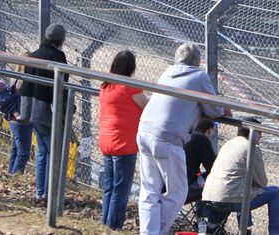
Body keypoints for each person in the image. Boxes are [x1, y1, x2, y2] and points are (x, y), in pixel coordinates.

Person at [136, 42, 228, 235]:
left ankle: (148, 231)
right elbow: (216, 110)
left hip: (145, 130)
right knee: (177, 193)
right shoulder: (199, 76)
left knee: (150, 190)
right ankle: (156, 232)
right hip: (168, 138)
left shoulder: (168, 72)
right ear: (198, 61)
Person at [202, 118, 279, 235]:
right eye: (260, 133)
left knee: (244, 187)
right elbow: (262, 182)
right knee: (275, 192)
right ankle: (276, 232)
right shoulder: (251, 147)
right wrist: (254, 184)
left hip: (210, 196)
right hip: (232, 199)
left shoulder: (228, 144)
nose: (261, 136)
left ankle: (218, 228)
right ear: (254, 133)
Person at [19, 23, 71, 203]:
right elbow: (62, 88)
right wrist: (64, 111)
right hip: (48, 111)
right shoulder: (58, 57)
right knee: (53, 153)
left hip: (31, 108)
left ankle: (40, 192)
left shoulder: (35, 55)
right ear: (61, 39)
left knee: (42, 153)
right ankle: (50, 196)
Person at [98, 50, 148, 230]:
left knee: (109, 186)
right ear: (131, 68)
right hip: (123, 143)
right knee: (121, 188)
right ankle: (113, 226)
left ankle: (105, 223)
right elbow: (146, 105)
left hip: (106, 140)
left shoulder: (106, 85)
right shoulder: (129, 86)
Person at [184, 119, 218, 201]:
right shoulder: (201, 138)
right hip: (188, 183)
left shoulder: (186, 133)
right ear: (209, 130)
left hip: (170, 181)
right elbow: (213, 168)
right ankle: (203, 213)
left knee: (201, 175)